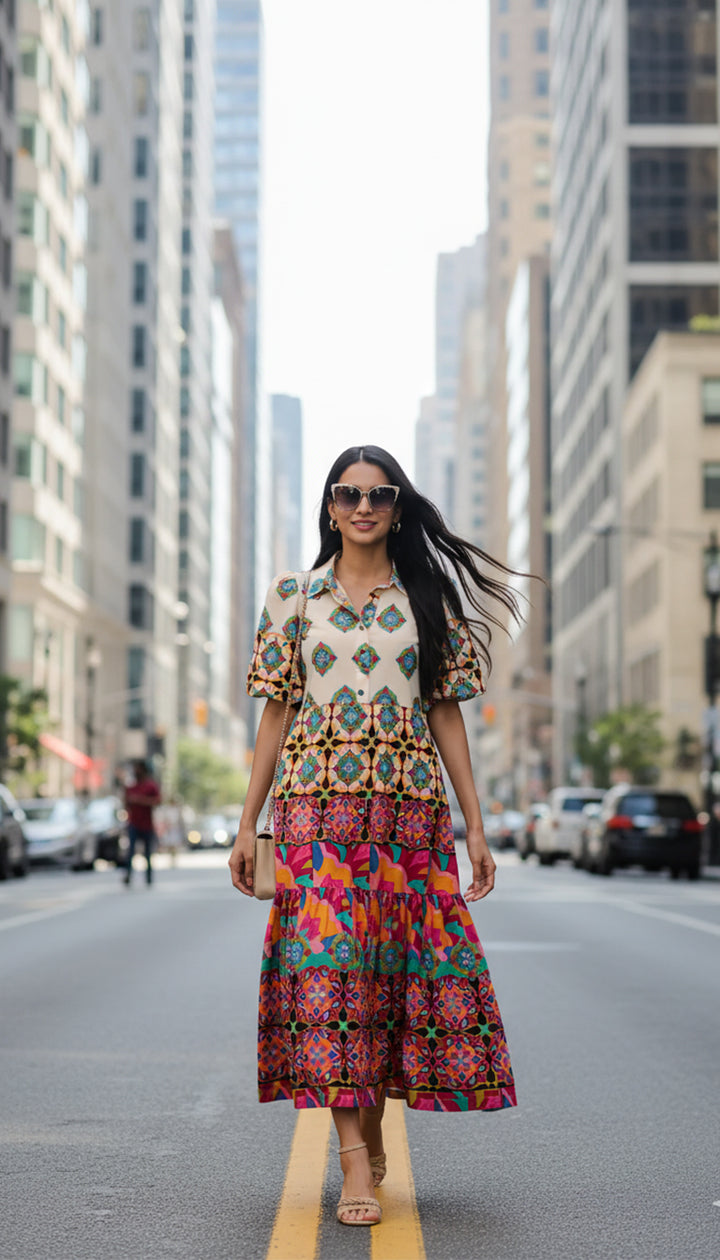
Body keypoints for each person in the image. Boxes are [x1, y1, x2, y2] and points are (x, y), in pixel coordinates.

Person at [229, 445, 520, 1228]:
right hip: (313, 818)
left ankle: (373, 1121)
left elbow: (447, 713)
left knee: (386, 987)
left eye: (380, 493)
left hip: (407, 820)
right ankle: (354, 1160)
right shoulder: (292, 597)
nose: (364, 506)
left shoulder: (428, 599)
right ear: (330, 507)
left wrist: (477, 828)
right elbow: (276, 713)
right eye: (349, 493)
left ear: (397, 506)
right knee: (328, 985)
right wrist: (247, 822)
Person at [123, 759, 161, 886]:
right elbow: (125, 804)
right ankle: (128, 875)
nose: (135, 771)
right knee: (131, 851)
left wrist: (140, 800)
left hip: (147, 824)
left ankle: (149, 877)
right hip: (133, 823)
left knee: (147, 852)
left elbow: (158, 801)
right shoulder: (131, 786)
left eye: (137, 768)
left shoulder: (150, 786)